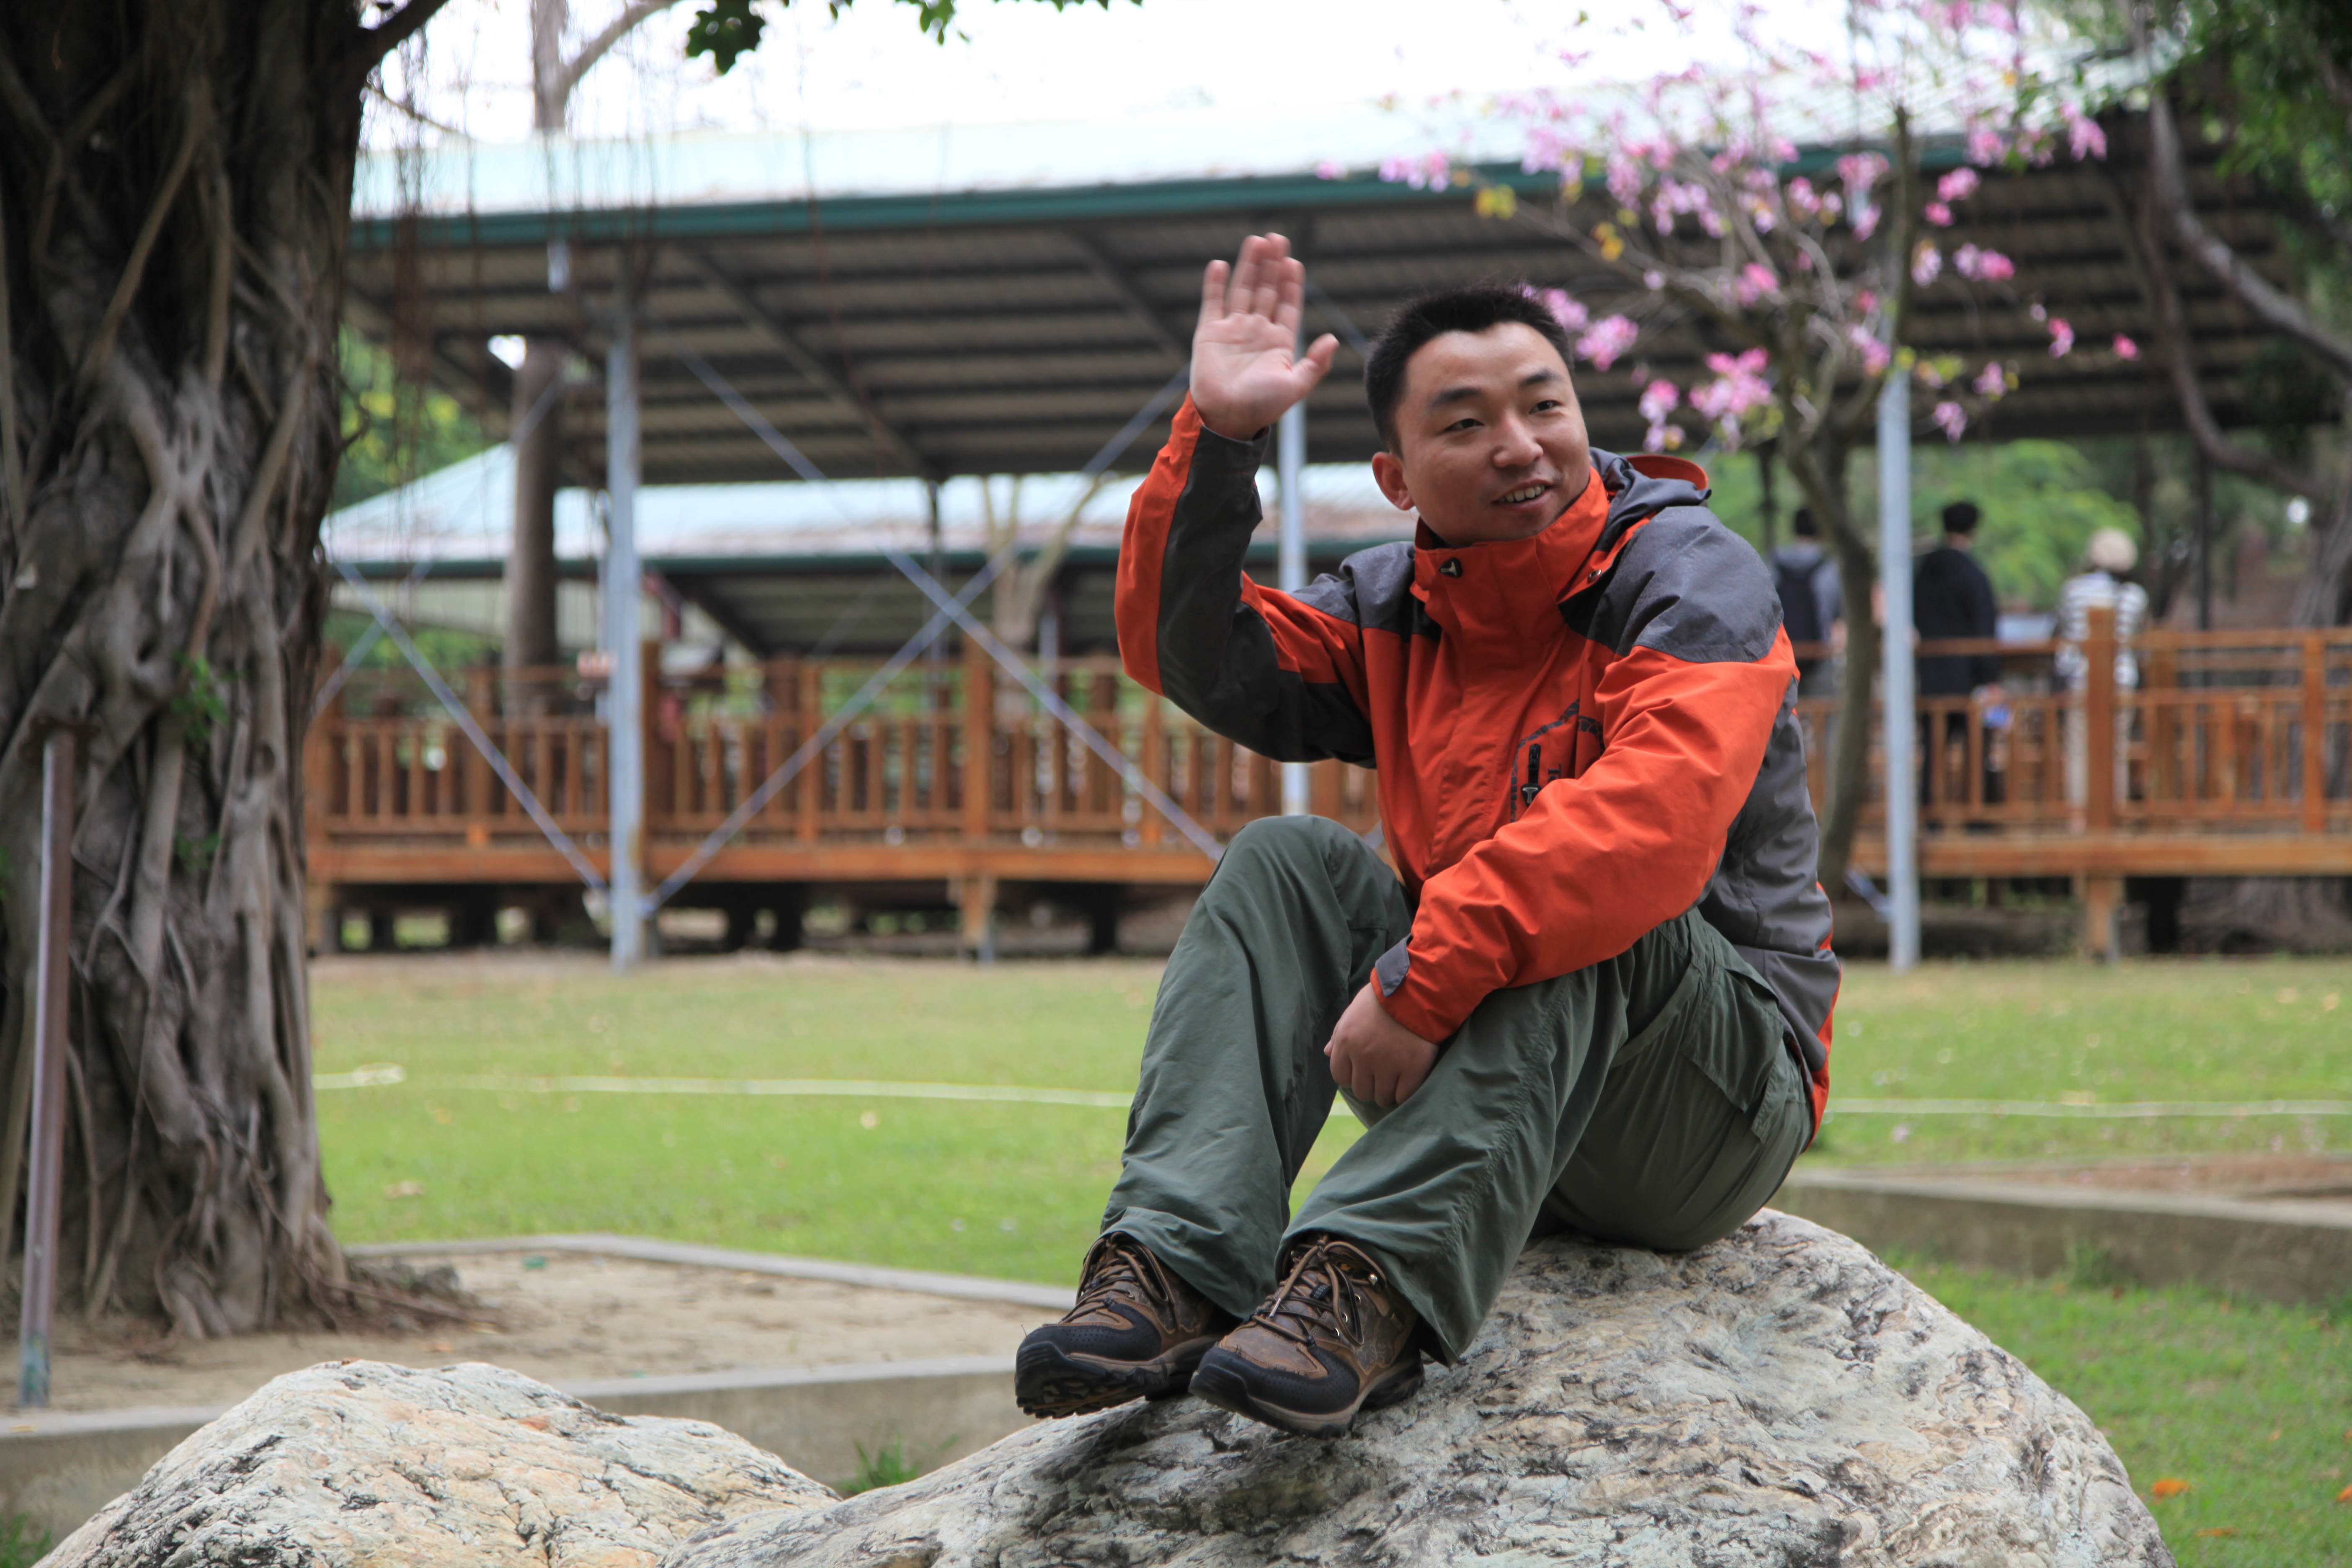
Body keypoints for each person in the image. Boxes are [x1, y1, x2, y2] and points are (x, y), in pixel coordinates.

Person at [1013, 234, 1837, 1440]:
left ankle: (1361, 1288)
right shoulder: (1398, 605)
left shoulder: (1691, 577)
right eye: (1464, 424)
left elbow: (1647, 828)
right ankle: (1176, 1268)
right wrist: (1219, 438)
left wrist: (1422, 975)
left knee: (1587, 902)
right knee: (1284, 863)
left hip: (1708, 1101)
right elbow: (1191, 655)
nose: (1519, 445)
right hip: (1500, 1093)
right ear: (1398, 479)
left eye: (1542, 405)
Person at [1912, 500, 2004, 815]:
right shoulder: (1973, 573)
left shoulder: (1923, 572)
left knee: (1934, 749)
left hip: (1932, 673)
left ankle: (1931, 813)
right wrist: (1991, 677)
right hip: (1969, 675)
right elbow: (1984, 626)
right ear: (1973, 529)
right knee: (1976, 748)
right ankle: (1976, 814)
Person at [2057, 526, 2149, 814]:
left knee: (2079, 750)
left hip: (2081, 678)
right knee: (2117, 749)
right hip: (2122, 677)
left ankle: (2079, 815)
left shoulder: (2073, 590)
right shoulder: (2135, 595)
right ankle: (2115, 810)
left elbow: (2064, 625)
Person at [1771, 507, 1843, 700]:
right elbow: (1839, 614)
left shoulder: (1773, 564)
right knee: (1823, 717)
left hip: (1781, 658)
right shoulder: (1832, 568)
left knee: (1785, 719)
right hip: (1819, 656)